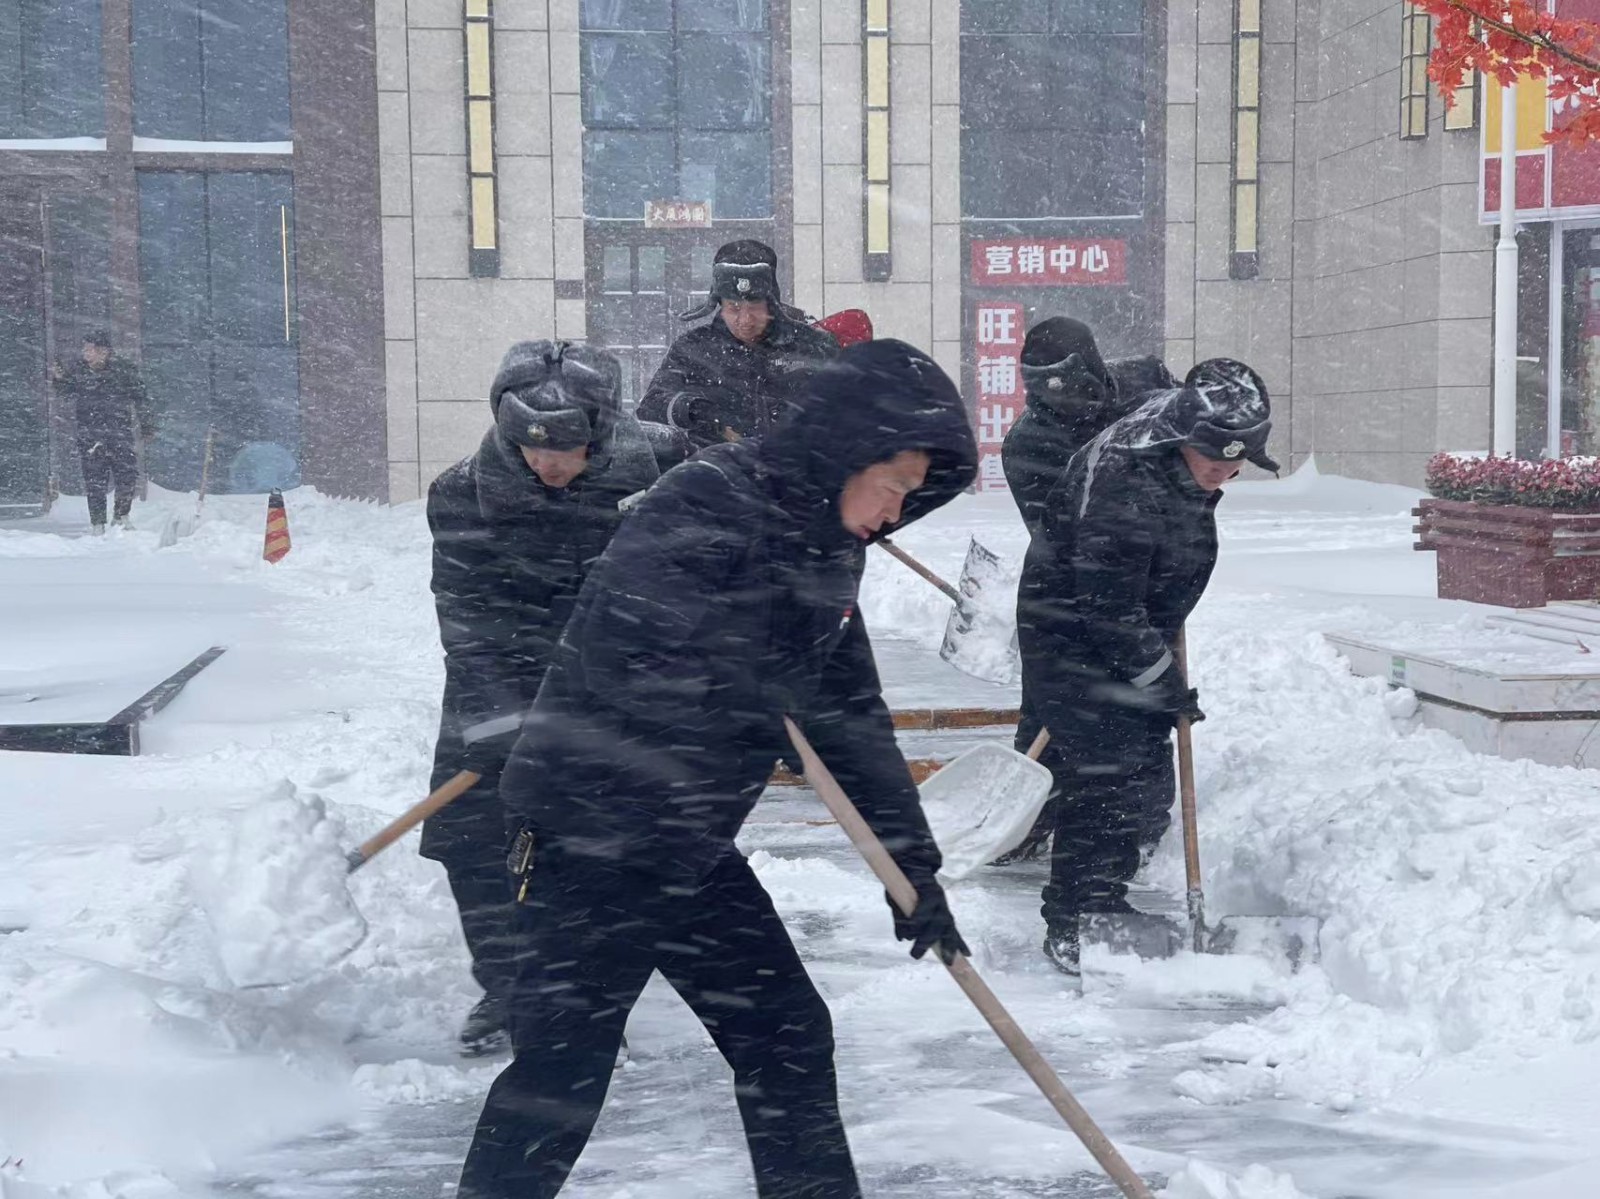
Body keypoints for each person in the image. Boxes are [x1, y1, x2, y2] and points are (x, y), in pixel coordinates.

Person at [458, 340, 977, 1199]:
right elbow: (636, 648)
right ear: (848, 448)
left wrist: (912, 870)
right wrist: (751, 678)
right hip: (592, 829)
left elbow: (851, 722)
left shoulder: (829, 545)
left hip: (684, 843)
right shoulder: (709, 494)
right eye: (893, 482)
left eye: (914, 494)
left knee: (786, 1034)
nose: (897, 508)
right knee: (564, 1071)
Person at [423, 339, 659, 1056]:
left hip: (613, 688)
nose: (548, 464)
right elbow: (468, 621)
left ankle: (585, 996)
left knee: (601, 845)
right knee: (475, 836)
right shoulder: (462, 493)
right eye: (530, 448)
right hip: (500, 685)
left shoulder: (656, 472)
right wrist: (506, 724)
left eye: (567, 448)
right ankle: (507, 985)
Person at [1014, 358, 1278, 978]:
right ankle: (1073, 919)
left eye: (1233, 464)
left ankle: (1105, 898)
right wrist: (1160, 681)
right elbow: (1107, 601)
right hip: (1070, 629)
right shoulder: (1126, 482)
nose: (1222, 475)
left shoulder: (1178, 435)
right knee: (1105, 773)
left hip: (1124, 620)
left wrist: (1156, 660)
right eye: (1211, 461)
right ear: (1181, 439)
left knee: (1139, 767)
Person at [996, 320, 1175, 865]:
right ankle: (1030, 818)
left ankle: (1142, 827)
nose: (1060, 403)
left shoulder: (1147, 389)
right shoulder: (1028, 445)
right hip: (1063, 590)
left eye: (1070, 388)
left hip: (1156, 579)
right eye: (1043, 391)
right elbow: (1070, 544)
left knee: (1144, 702)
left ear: (1094, 372)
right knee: (1051, 707)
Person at [637, 239, 838, 449]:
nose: (745, 320)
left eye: (754, 307)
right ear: (719, 306)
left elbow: (851, 409)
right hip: (715, 471)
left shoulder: (813, 346)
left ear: (772, 304)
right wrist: (702, 412)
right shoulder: (692, 348)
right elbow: (651, 405)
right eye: (734, 308)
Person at [54, 330, 154, 534]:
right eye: (85, 349)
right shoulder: (79, 372)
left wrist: (147, 425)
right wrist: (59, 379)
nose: (86, 353)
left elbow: (141, 398)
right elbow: (66, 392)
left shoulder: (122, 371)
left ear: (104, 351)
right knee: (94, 481)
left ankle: (121, 516)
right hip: (90, 435)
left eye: (89, 349)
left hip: (119, 432)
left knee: (127, 476)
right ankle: (97, 523)